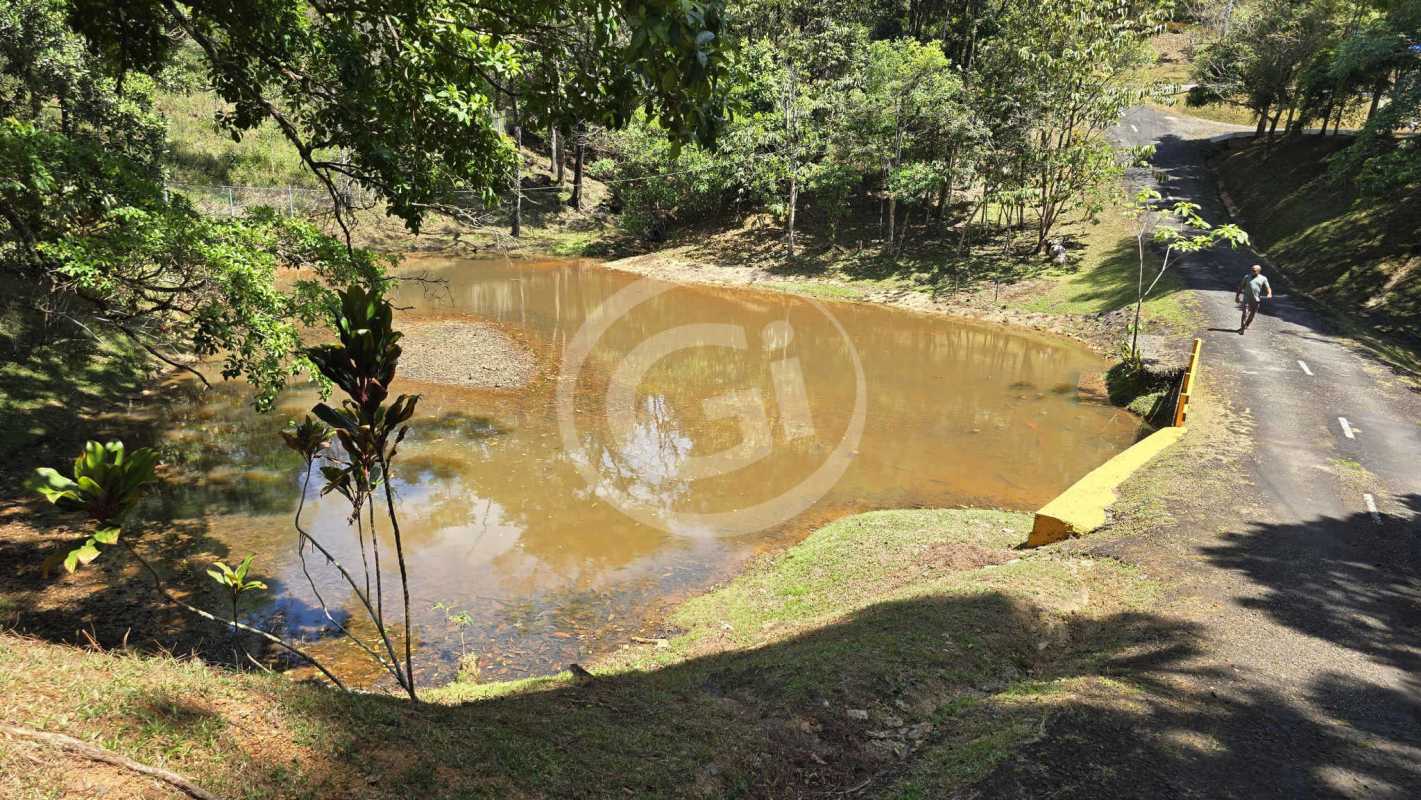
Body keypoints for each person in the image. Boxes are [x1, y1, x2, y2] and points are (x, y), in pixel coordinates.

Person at [1235, 263, 1272, 334]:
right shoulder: (1247, 277)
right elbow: (1241, 286)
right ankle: (1242, 328)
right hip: (1246, 298)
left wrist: (1269, 293)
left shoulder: (1263, 278)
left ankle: (1246, 325)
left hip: (1256, 299)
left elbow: (1268, 287)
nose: (1252, 271)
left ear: (1258, 271)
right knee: (1245, 313)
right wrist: (1237, 296)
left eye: (1254, 270)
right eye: (1251, 270)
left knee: (1252, 314)